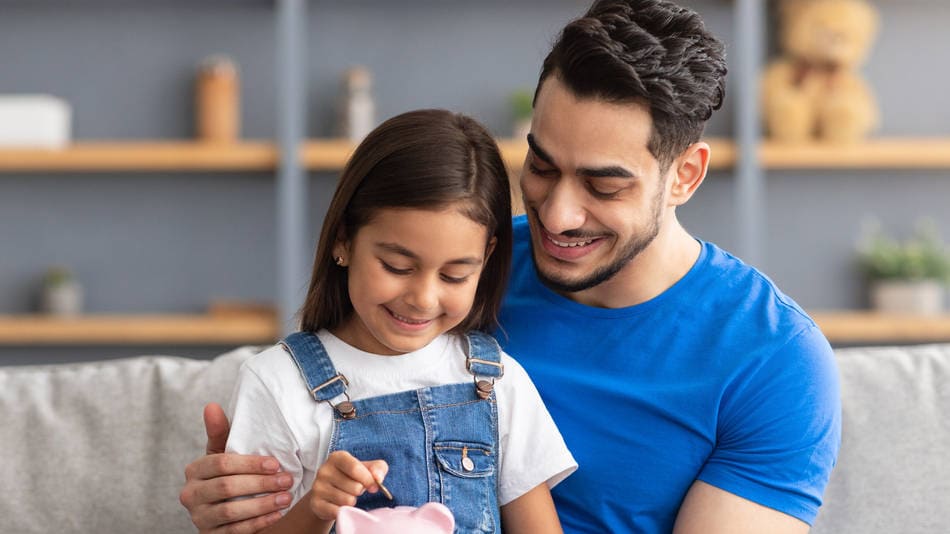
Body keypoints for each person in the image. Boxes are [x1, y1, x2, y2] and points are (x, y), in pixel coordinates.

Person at [180, 1, 841, 533]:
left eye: (603, 186)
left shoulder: (774, 359)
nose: (556, 216)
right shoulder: (458, 269)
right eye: (543, 165)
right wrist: (248, 504)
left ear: (684, 176)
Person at [214, 109, 576, 534]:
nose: (423, 298)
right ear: (343, 240)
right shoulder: (277, 384)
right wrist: (316, 508)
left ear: (487, 258)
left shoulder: (497, 383)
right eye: (397, 266)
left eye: (454, 275)